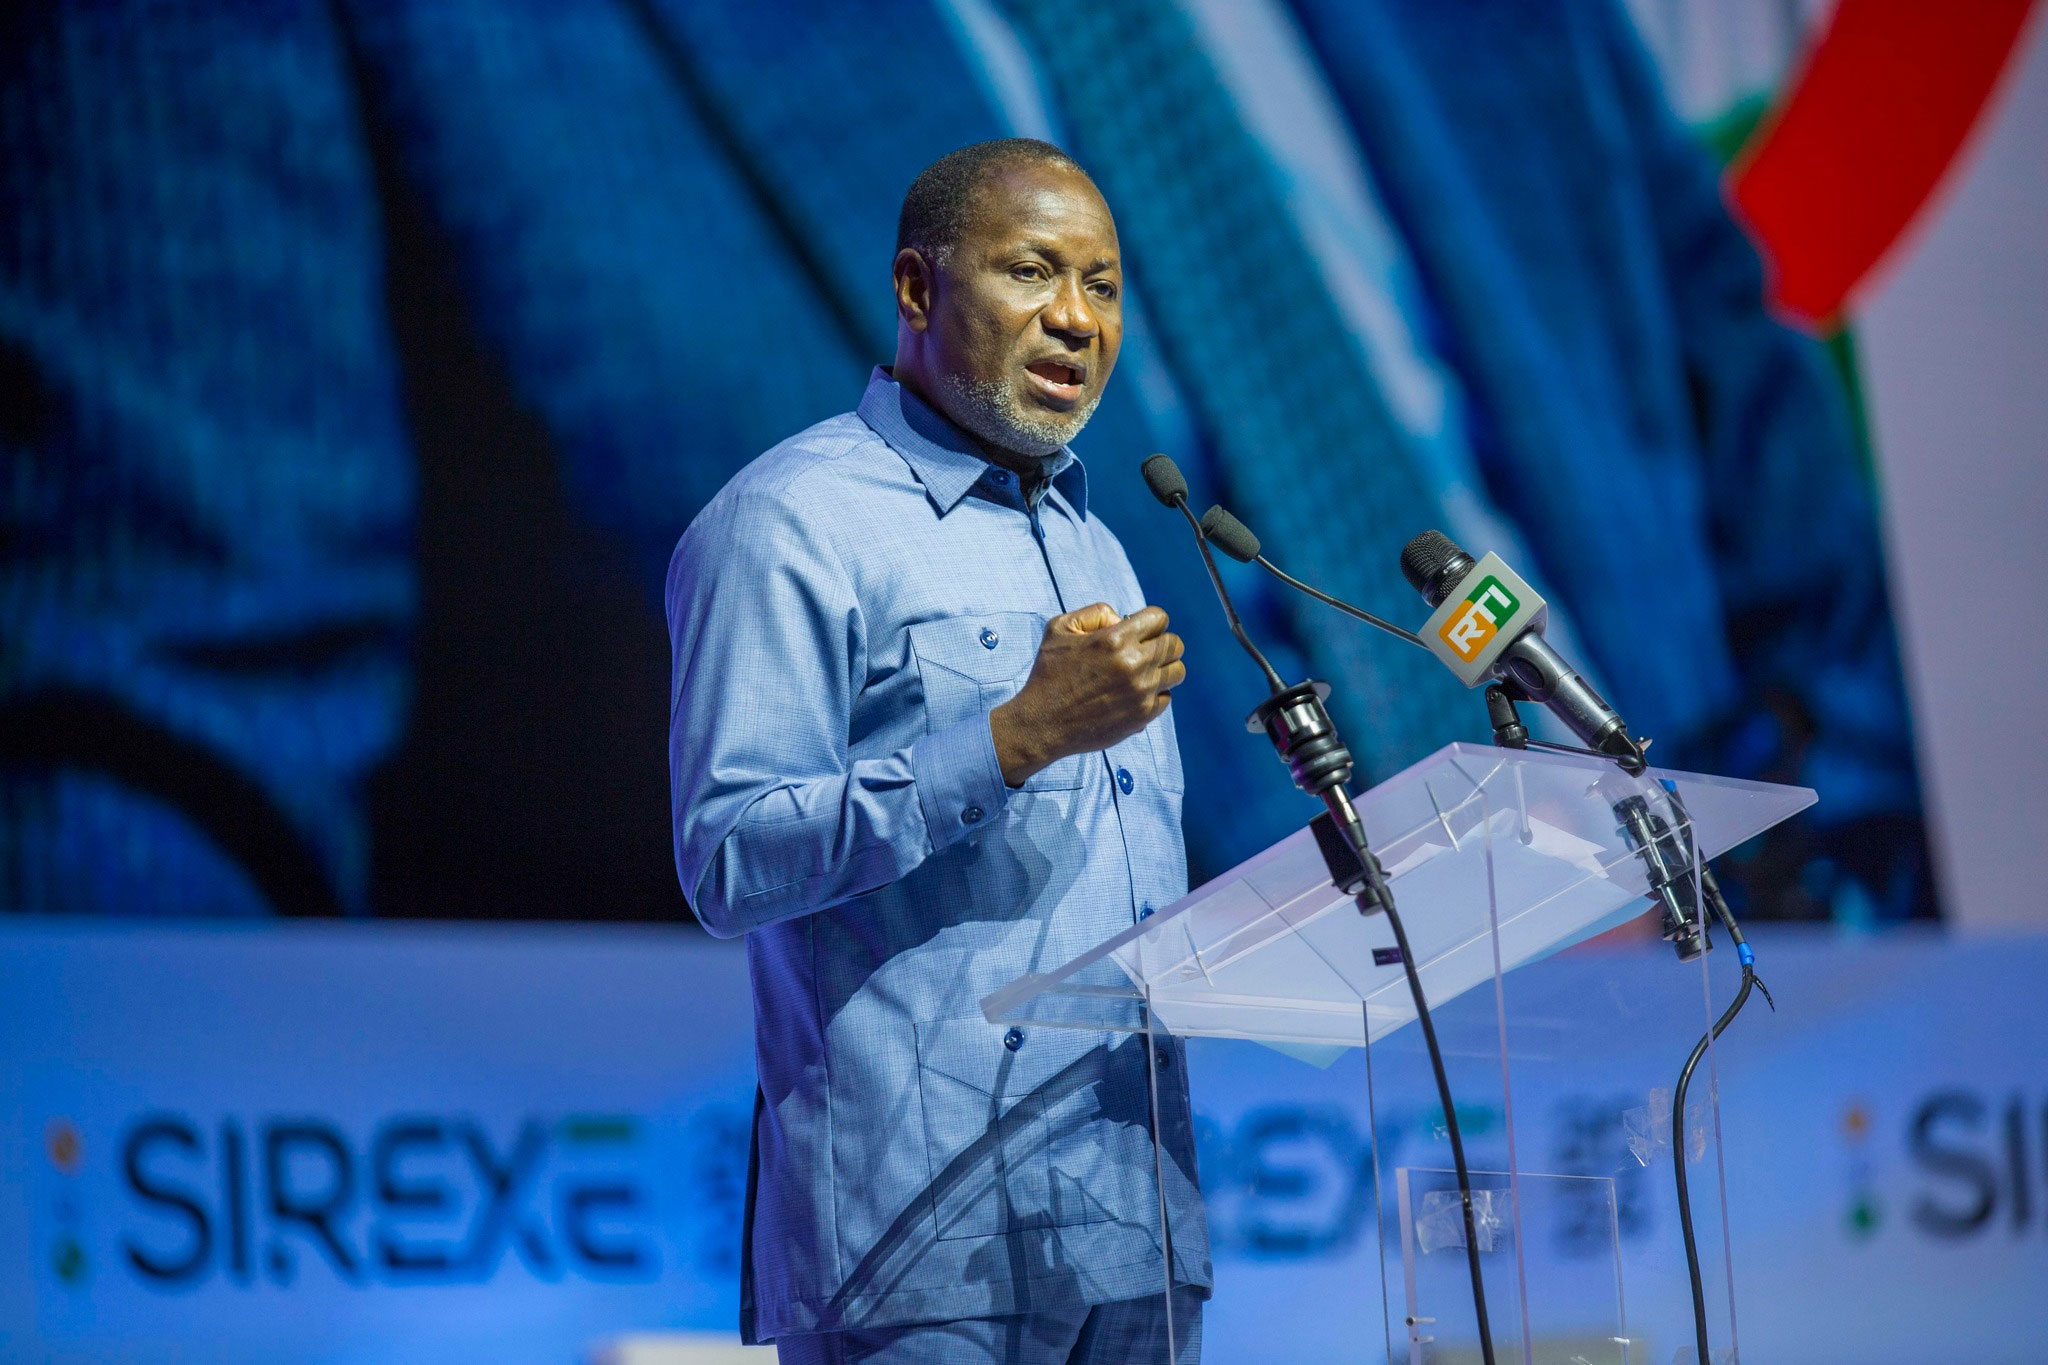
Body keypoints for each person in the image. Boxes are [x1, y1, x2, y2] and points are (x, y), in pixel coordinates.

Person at [667, 140, 1208, 1362]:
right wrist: (1012, 739)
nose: (1076, 318)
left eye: (1103, 285)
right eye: (1031, 272)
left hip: (1131, 1219)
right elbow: (727, 859)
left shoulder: (1098, 543)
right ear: (917, 288)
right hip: (918, 1248)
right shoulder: (788, 521)